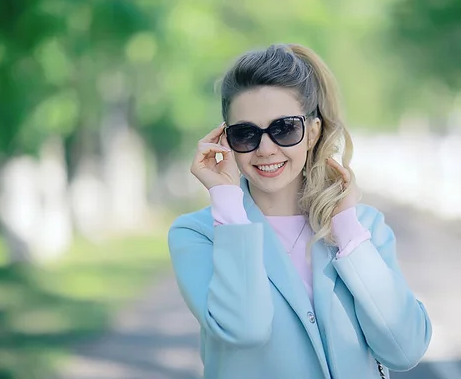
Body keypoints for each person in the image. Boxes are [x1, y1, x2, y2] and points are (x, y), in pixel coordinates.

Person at [167, 43, 432, 379]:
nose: (265, 149)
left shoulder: (364, 227)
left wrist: (347, 233)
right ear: (225, 140)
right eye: (245, 133)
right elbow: (245, 329)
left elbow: (405, 349)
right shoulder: (198, 235)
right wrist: (226, 199)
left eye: (284, 128)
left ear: (313, 132)